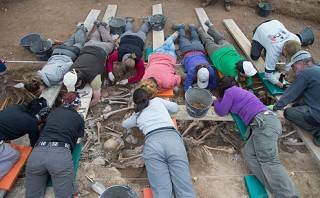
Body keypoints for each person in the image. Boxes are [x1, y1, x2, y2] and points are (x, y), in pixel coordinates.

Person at [213, 76, 298, 197]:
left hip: (264, 124)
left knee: (269, 161)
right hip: (264, 124)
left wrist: (215, 100)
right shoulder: (239, 92)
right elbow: (226, 106)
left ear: (223, 87)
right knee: (249, 155)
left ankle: (288, 195)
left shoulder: (230, 91)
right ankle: (276, 191)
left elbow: (221, 111)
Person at [122, 88, 196, 198]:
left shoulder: (136, 116)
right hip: (173, 141)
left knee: (161, 190)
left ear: (135, 102)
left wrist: (134, 113)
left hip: (153, 145)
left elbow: (124, 124)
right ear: (148, 96)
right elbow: (175, 107)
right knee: (184, 186)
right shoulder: (157, 101)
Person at [26, 92, 84, 198]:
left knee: (32, 195)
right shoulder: (79, 118)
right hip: (60, 155)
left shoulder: (54, 112)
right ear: (78, 105)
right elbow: (77, 140)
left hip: (37, 154)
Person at [267, 50, 320, 147]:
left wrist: (276, 107)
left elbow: (290, 95)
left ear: (301, 63)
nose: (292, 68)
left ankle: (317, 130)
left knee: (288, 112)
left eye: (293, 66)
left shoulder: (306, 72)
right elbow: (300, 94)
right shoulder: (317, 69)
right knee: (296, 105)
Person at [23, 21, 87, 93]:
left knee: (79, 43)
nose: (39, 92)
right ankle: (80, 29)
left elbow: (69, 64)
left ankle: (81, 27)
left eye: (38, 90)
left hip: (69, 53)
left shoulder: (54, 78)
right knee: (71, 40)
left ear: (40, 84)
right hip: (57, 51)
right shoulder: (41, 73)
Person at [63, 20, 115, 106]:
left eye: (75, 86)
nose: (76, 88)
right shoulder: (70, 71)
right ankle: (100, 26)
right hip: (88, 46)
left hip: (102, 49)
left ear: (79, 81)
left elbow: (96, 99)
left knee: (110, 42)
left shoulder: (94, 78)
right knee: (94, 38)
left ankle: (101, 27)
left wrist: (84, 106)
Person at [197, 20, 257, 93]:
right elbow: (231, 85)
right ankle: (199, 29)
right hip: (216, 53)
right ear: (241, 72)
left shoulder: (243, 62)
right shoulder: (232, 73)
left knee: (220, 39)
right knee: (208, 41)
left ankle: (210, 25)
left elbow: (247, 74)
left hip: (228, 48)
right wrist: (246, 88)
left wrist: (249, 85)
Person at [0, 98, 50, 179]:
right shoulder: (31, 123)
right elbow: (35, 146)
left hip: (2, 135)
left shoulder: (16, 107)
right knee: (15, 155)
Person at [250, 20, 301, 89]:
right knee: (254, 56)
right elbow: (268, 75)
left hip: (274, 24)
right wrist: (281, 85)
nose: (286, 57)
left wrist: (284, 73)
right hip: (261, 29)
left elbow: (291, 58)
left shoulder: (296, 41)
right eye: (286, 54)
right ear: (284, 48)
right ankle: (260, 43)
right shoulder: (274, 50)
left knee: (269, 49)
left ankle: (266, 45)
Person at [171, 23, 217, 92]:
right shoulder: (208, 71)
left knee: (195, 38)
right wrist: (198, 87)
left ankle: (192, 27)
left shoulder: (208, 70)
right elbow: (214, 84)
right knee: (183, 38)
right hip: (187, 49)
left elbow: (187, 87)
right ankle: (181, 28)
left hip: (199, 48)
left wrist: (197, 86)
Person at [106, 17, 151, 85]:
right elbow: (140, 74)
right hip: (132, 38)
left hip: (136, 38)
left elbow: (141, 75)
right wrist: (110, 72)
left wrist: (127, 81)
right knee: (141, 31)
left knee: (134, 31)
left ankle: (129, 21)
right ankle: (146, 22)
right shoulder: (138, 59)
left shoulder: (120, 54)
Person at [139, 31, 181, 98]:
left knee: (171, 48)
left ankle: (171, 39)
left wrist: (171, 83)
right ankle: (170, 38)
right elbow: (148, 67)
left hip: (169, 57)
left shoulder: (167, 83)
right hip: (156, 55)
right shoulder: (143, 79)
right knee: (166, 46)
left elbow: (178, 78)